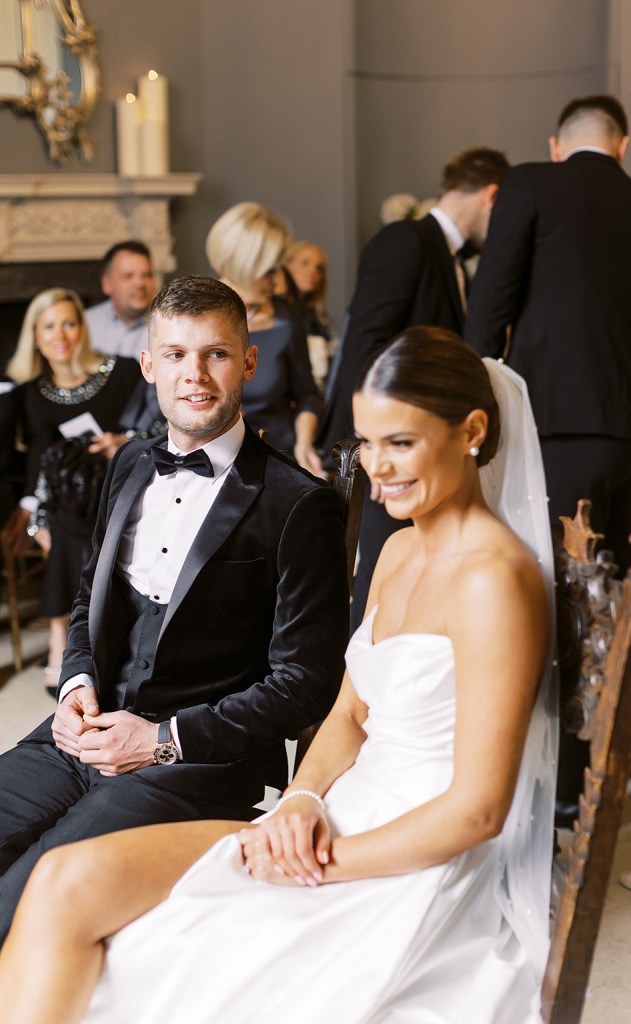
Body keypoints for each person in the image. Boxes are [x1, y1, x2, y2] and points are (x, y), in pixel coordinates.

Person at [0, 327, 559, 1024]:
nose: (376, 468)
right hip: (330, 810)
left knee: (94, 919)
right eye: (366, 442)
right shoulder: (398, 552)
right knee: (61, 879)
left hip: (408, 850)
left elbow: (477, 811)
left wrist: (319, 859)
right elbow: (349, 715)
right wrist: (299, 804)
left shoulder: (493, 581)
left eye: (400, 442)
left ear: (471, 430)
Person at [0, 275, 349, 945]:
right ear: (148, 364)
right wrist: (75, 685)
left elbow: (305, 687)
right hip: (84, 732)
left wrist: (160, 740)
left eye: (216, 353)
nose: (196, 375)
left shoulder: (298, 503)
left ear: (248, 361)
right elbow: (85, 602)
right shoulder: (129, 464)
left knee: (34, 892)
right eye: (177, 354)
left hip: (194, 763)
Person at [465, 94, 631, 807]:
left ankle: (562, 780)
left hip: (557, 424)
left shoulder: (531, 182)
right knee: (613, 590)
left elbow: (489, 303)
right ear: (622, 146)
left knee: (552, 590)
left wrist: (466, 404)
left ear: (557, 144)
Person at [318, 146, 510, 627]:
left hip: (419, 448)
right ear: (493, 196)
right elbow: (366, 344)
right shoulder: (405, 239)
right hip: (396, 451)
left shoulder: (447, 257)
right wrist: (379, 448)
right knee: (382, 594)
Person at [3, 288, 151, 690]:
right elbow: (40, 461)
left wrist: (126, 439)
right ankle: (81, 640)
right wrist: (37, 517)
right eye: (48, 326)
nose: (60, 335)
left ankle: (64, 641)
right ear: (35, 336)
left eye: (69, 323)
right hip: (73, 503)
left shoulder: (121, 373)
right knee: (67, 521)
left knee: (79, 522)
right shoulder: (33, 393)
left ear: (82, 328)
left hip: (127, 485)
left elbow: (159, 424)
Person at [205, 202, 323, 474]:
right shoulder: (197, 319)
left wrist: (304, 444)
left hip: (279, 457)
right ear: (244, 265)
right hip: (216, 460)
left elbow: (307, 395)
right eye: (269, 270)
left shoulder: (286, 319)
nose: (278, 279)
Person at [85, 240, 156, 360]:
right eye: (128, 276)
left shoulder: (170, 325)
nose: (140, 284)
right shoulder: (85, 325)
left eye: (146, 275)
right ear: (106, 284)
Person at [284, 240, 334, 391]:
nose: (313, 271)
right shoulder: (279, 315)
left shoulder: (319, 318)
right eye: (305, 263)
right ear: (287, 266)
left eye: (319, 268)